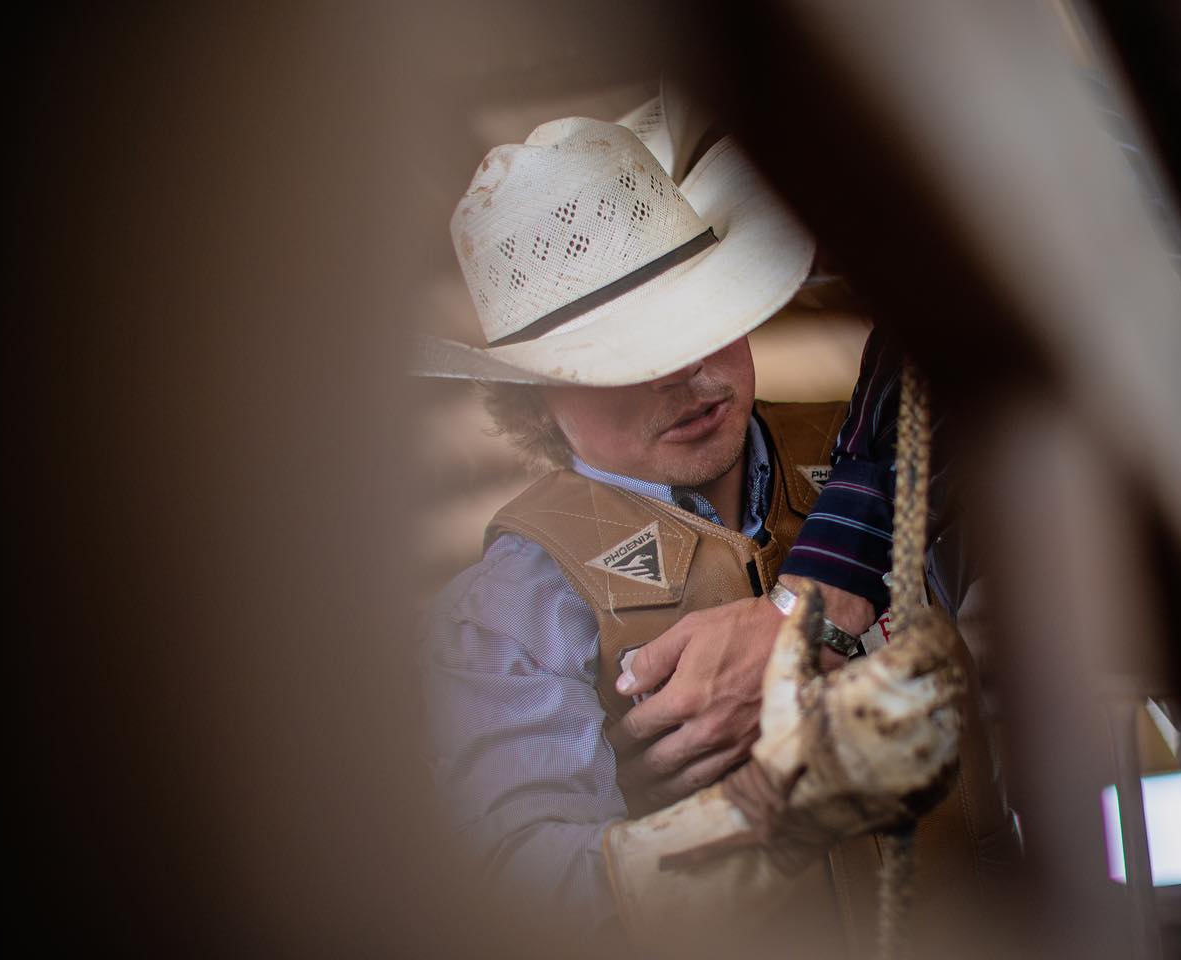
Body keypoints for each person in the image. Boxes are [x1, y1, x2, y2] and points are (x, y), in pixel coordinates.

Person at [416, 116, 1011, 952]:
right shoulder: (506, 611)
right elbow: (541, 899)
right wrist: (787, 806)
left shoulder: (891, 454)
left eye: (696, 319)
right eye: (620, 359)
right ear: (537, 396)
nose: (681, 372)